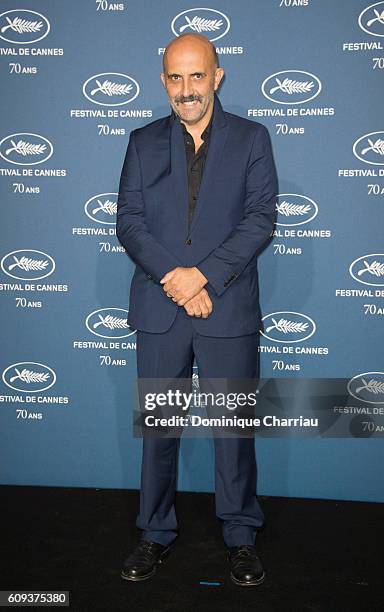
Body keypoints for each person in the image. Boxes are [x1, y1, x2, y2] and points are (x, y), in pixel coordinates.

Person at [116, 32, 278, 587]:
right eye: (175, 77)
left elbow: (260, 218)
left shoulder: (253, 138)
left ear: (218, 75)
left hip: (226, 306)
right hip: (161, 308)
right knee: (160, 428)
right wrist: (176, 279)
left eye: (197, 75)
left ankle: (239, 534)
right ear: (164, 81)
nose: (187, 89)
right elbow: (129, 223)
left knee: (233, 429)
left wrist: (201, 276)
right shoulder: (140, 142)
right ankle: (154, 532)